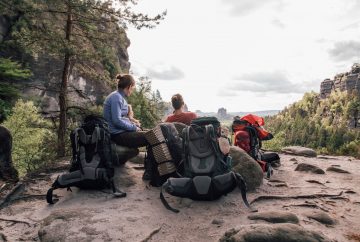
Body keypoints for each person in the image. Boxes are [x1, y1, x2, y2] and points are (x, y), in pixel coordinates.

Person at [103, 74, 147, 148]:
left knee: (152, 133)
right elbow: (117, 121)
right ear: (129, 87)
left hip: (120, 132)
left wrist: (133, 123)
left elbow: (121, 118)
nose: (132, 91)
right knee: (151, 137)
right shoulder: (116, 97)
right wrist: (134, 128)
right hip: (116, 135)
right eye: (132, 88)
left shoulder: (118, 96)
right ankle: (151, 159)